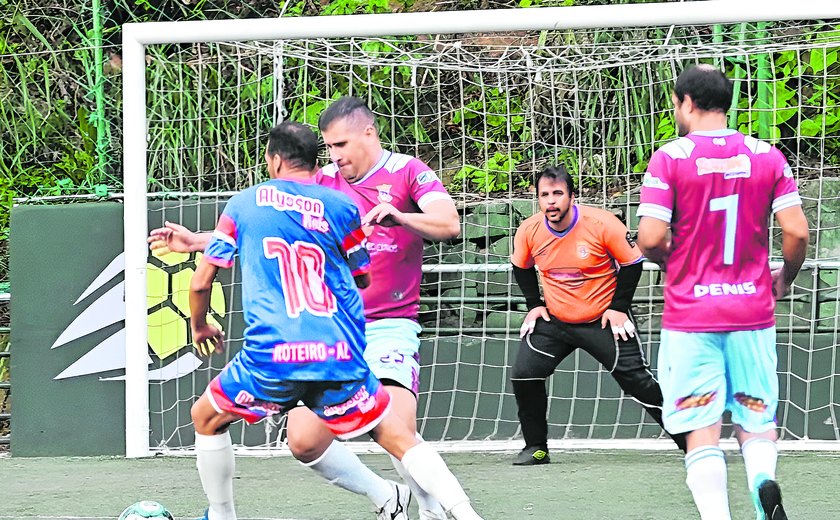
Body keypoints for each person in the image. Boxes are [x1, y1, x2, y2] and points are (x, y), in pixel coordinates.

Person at [149, 97, 459, 520]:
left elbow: (450, 225)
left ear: (369, 133)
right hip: (332, 333)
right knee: (304, 442)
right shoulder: (325, 186)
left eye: (341, 145)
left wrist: (400, 217)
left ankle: (438, 514)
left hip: (387, 325)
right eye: (328, 148)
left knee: (397, 431)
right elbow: (274, 228)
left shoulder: (409, 171)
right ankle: (388, 497)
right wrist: (197, 240)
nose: (335, 156)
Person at [636, 65, 809, 520]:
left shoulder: (670, 158)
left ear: (686, 103)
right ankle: (762, 485)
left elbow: (650, 238)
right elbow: (796, 232)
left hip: (693, 317)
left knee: (701, 429)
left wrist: (681, 263)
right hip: (751, 312)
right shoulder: (767, 155)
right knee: (755, 420)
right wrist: (784, 277)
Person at [509, 165, 686, 466]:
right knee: (524, 374)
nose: (551, 201)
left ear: (572, 197)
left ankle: (693, 445)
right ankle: (536, 447)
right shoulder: (529, 229)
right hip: (555, 320)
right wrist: (533, 305)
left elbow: (632, 264)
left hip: (603, 319)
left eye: (557, 194)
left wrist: (617, 309)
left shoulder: (602, 224)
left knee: (639, 383)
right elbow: (521, 266)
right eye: (544, 195)